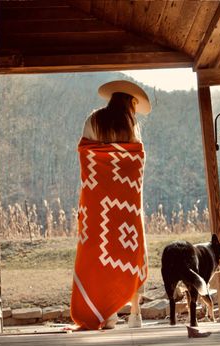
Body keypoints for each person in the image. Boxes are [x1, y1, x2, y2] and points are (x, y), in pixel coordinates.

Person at [71, 80, 151, 330]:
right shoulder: (131, 124)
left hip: (97, 203)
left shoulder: (94, 119)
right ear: (130, 103)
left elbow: (87, 155)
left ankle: (105, 314)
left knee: (97, 254)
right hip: (126, 203)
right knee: (130, 252)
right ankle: (135, 314)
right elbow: (134, 161)